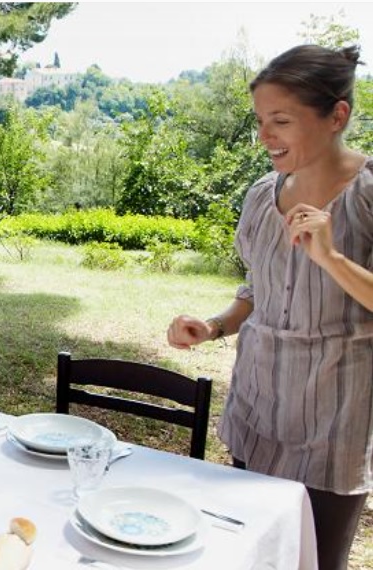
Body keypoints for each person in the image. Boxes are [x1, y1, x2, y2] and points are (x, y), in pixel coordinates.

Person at [166, 45, 373, 570]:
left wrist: (330, 257)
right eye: (260, 120)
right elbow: (258, 286)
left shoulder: (367, 194)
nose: (264, 135)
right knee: (255, 551)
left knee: (316, 560)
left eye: (280, 120)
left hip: (335, 422)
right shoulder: (263, 195)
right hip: (259, 406)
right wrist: (213, 326)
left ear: (337, 116)